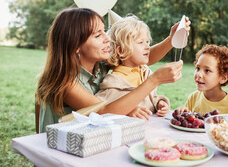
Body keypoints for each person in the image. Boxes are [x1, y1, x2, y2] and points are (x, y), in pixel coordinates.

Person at [36, 8, 190, 133]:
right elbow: (103, 111)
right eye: (98, 35)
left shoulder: (98, 64)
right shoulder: (65, 82)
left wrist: (171, 40)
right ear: (75, 46)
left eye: (104, 31)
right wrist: (154, 80)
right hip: (60, 153)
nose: (107, 38)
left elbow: (139, 57)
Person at [95, 15, 170, 119]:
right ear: (121, 51)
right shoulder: (114, 82)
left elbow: (151, 98)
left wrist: (160, 103)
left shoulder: (145, 72)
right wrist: (127, 112)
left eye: (147, 42)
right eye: (140, 42)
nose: (147, 47)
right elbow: (99, 112)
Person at [178, 44, 228, 114]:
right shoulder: (194, 97)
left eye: (207, 70)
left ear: (223, 78)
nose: (199, 74)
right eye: (198, 68)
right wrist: (183, 112)